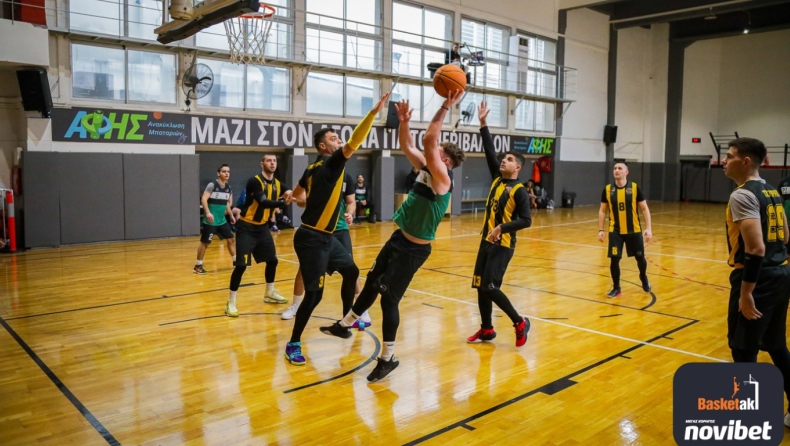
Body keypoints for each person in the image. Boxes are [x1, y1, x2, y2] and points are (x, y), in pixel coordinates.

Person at [320, 90, 466, 382]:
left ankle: (387, 358)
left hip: (414, 250)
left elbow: (427, 141)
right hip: (398, 239)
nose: (431, 154)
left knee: (389, 301)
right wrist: (402, 122)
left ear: (446, 161)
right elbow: (409, 145)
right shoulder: (427, 169)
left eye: (438, 154)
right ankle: (345, 324)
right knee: (372, 282)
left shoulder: (442, 179)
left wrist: (444, 107)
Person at [283, 93, 390, 367]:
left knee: (352, 271)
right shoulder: (330, 164)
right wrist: (374, 113)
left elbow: (299, 197)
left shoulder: (311, 169)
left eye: (338, 139)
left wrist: (293, 198)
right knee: (315, 295)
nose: (339, 141)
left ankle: (344, 321)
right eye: (334, 139)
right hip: (311, 240)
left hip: (326, 237)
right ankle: (293, 343)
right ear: (323, 146)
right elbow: (356, 140)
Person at [721, 137, 790, 425]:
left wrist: (747, 292)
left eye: (730, 156)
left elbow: (756, 248)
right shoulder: (772, 191)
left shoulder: (742, 195)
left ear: (745, 161)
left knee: (743, 349)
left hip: (757, 279)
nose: (725, 161)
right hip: (780, 274)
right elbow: (785, 236)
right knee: (775, 345)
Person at [467, 101, 532, 346]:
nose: (503, 161)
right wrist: (483, 123)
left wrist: (501, 227)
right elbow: (488, 151)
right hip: (486, 242)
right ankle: (486, 330)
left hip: (503, 245)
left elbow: (526, 220)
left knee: (490, 287)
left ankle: (520, 322)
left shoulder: (520, 191)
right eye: (503, 158)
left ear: (518, 167)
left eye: (509, 159)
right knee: (480, 287)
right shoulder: (497, 179)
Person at [282, 172, 370, 327]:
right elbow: (303, 202)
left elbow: (351, 202)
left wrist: (350, 214)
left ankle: (360, 309)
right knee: (303, 270)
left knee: (351, 270)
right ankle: (295, 305)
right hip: (319, 230)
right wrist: (295, 197)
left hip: (340, 230)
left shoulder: (347, 178)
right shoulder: (317, 175)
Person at [225, 154, 292, 317]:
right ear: (262, 164)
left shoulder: (277, 184)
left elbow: (290, 191)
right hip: (246, 227)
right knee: (241, 266)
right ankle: (231, 302)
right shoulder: (254, 181)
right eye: (269, 160)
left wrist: (294, 193)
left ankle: (269, 293)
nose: (273, 163)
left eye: (275, 160)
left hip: (262, 229)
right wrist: (283, 202)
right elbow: (263, 202)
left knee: (272, 261)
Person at [597, 162, 653, 298]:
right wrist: (601, 229)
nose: (616, 170)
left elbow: (644, 209)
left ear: (626, 172)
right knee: (614, 259)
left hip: (633, 230)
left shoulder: (634, 188)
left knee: (640, 258)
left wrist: (649, 228)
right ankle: (616, 288)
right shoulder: (608, 190)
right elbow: (602, 210)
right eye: (615, 168)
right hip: (615, 231)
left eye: (620, 168)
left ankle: (643, 276)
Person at [194, 164, 236, 274]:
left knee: (231, 239)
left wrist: (231, 215)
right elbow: (203, 199)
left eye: (228, 171)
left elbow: (226, 203)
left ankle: (237, 262)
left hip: (222, 221)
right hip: (210, 221)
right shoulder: (212, 185)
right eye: (224, 171)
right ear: (218, 173)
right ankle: (198, 266)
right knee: (205, 243)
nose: (227, 173)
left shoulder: (228, 188)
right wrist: (207, 213)